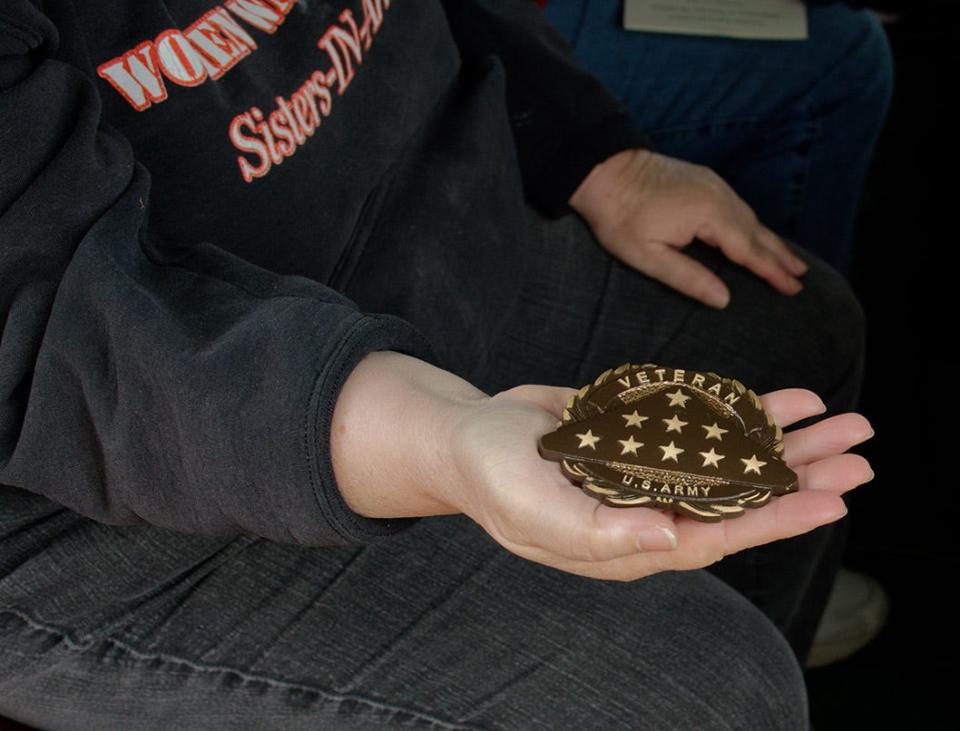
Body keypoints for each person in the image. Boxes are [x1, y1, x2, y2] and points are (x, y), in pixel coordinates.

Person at [0, 1, 873, 728]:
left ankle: (721, 585)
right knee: (714, 689)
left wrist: (590, 150)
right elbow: (59, 328)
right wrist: (444, 442)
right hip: (104, 450)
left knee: (796, 332)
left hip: (414, 235)